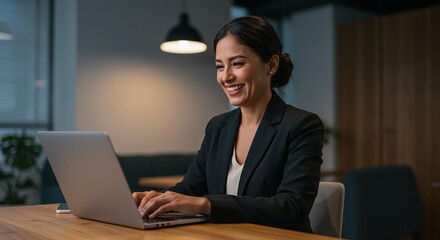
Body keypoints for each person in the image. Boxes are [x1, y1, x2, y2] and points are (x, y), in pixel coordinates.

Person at [132, 16, 323, 232]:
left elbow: (292, 208)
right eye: (219, 66)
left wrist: (206, 204)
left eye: (237, 64)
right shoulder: (217, 127)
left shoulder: (301, 125)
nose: (226, 77)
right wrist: (158, 199)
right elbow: (190, 189)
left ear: (271, 65)